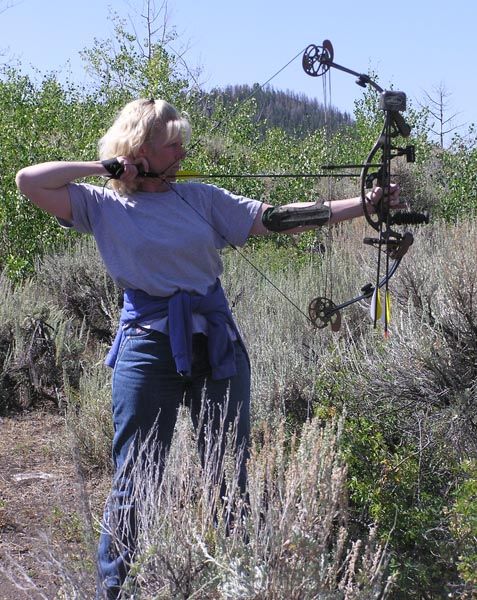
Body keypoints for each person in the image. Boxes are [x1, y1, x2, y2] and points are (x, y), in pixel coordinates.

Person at [15, 97, 401, 599]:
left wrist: (363, 205)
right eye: (170, 142)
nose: (181, 150)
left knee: (227, 474)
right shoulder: (100, 204)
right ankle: (114, 588)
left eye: (181, 141)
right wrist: (105, 168)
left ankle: (238, 583)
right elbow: (29, 181)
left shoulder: (198, 197)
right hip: (147, 347)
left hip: (216, 343)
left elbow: (279, 218)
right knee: (138, 474)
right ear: (138, 147)